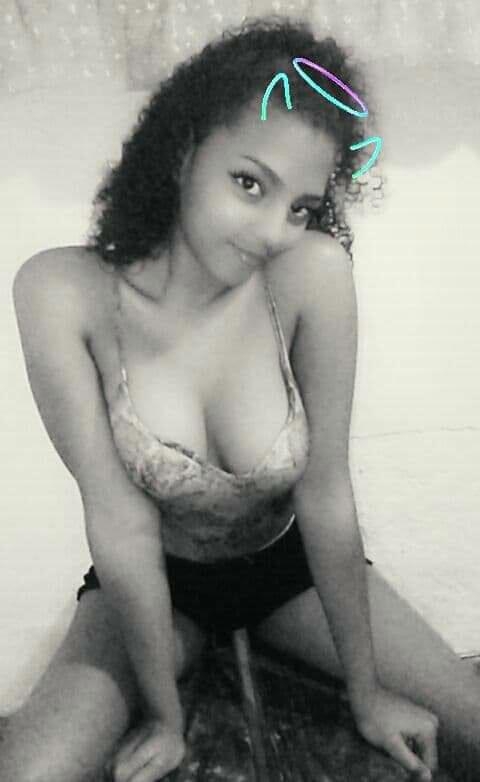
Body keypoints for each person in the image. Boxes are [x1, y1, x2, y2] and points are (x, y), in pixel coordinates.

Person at [3, 17, 479, 782]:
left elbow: (326, 493)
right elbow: (120, 521)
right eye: (250, 184)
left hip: (288, 571)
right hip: (154, 583)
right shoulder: (59, 290)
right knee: (30, 772)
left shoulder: (313, 275)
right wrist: (164, 717)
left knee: (474, 720)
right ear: (183, 149)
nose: (272, 231)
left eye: (301, 206)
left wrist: (367, 695)